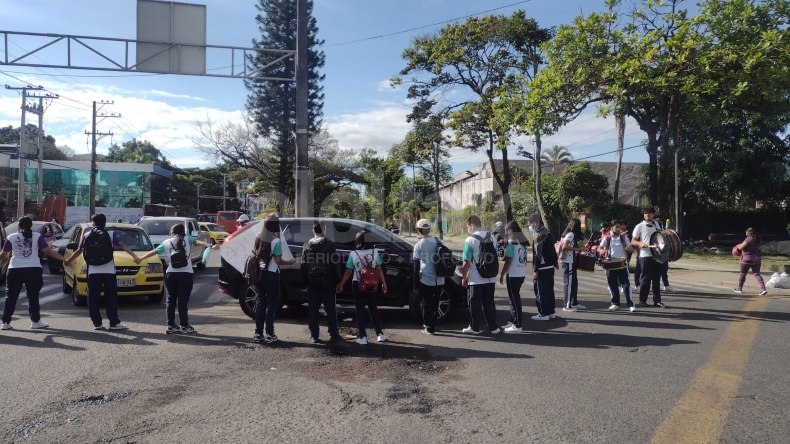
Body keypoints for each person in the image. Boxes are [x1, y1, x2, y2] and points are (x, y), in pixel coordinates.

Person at [137, 223, 219, 334]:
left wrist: (140, 259)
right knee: (182, 302)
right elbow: (198, 242)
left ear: (172, 232)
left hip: (171, 274)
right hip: (186, 274)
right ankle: (184, 326)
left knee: (170, 301)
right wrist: (210, 245)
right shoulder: (187, 239)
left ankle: (171, 325)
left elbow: (154, 252)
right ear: (183, 232)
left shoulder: (166, 242)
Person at [64, 214, 140, 330]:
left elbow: (79, 250)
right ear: (104, 223)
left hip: (92, 271)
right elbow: (122, 245)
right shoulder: (111, 234)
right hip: (109, 271)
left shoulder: (87, 235)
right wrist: (135, 256)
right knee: (111, 297)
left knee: (93, 297)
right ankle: (114, 323)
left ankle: (97, 323)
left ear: (94, 223)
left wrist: (68, 260)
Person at [1, 217, 68, 331]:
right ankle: (35, 321)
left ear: (18, 226)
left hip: (14, 269)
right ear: (30, 225)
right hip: (33, 269)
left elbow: (4, 254)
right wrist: (64, 259)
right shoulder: (37, 236)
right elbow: (47, 251)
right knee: (33, 297)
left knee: (10, 296)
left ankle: (5, 322)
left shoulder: (11, 237)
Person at [336, 231, 389, 345]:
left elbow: (349, 271)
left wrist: (341, 284)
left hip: (358, 284)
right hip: (373, 284)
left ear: (357, 241)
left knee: (360, 310)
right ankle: (380, 334)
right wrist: (383, 283)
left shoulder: (353, 254)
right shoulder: (375, 252)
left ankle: (363, 337)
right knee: (373, 309)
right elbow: (379, 269)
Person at [252, 214, 295, 343]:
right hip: (271, 275)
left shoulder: (258, 236)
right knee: (271, 305)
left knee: (260, 303)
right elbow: (278, 261)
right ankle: (269, 334)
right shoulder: (276, 241)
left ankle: (258, 334)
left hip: (259, 275)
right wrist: (290, 262)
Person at [302, 220, 344, 343]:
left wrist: (306, 283)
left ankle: (314, 335)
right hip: (328, 283)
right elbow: (335, 264)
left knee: (313, 310)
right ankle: (333, 333)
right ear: (323, 230)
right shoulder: (330, 245)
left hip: (312, 283)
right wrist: (338, 281)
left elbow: (303, 266)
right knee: (330, 309)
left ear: (313, 231)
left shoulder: (307, 246)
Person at [460, 215, 500, 335]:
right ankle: (494, 327)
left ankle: (474, 327)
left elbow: (466, 261)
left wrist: (464, 277)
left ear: (472, 225)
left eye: (468, 226)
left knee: (474, 304)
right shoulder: (492, 236)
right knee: (489, 302)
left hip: (476, 278)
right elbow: (495, 254)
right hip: (491, 276)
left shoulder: (470, 240)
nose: (468, 229)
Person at [631, 207, 668, 308]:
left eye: (649, 213)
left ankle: (657, 301)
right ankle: (642, 300)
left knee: (656, 280)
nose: (647, 214)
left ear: (653, 214)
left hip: (657, 255)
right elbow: (633, 241)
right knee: (645, 279)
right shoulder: (639, 226)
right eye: (645, 213)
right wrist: (640, 243)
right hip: (645, 256)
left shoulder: (658, 225)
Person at [412, 218, 444, 335]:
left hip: (425, 279)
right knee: (435, 303)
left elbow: (416, 266)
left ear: (418, 229)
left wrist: (415, 284)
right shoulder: (438, 240)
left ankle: (428, 327)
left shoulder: (419, 245)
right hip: (439, 279)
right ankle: (433, 324)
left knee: (425, 304)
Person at [598, 220, 636, 312]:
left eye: (620, 227)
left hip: (622, 264)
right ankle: (615, 303)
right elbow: (599, 248)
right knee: (612, 284)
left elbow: (632, 250)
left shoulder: (623, 237)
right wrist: (602, 251)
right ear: (611, 228)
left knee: (626, 285)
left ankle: (631, 304)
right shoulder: (607, 238)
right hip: (610, 264)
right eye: (617, 227)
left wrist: (628, 248)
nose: (619, 229)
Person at [499, 220, 528, 333]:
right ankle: (512, 320)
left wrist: (502, 273)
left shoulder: (511, 243)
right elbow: (525, 259)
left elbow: (508, 260)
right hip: (521, 273)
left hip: (513, 274)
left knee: (514, 300)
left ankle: (517, 324)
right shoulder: (522, 243)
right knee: (513, 298)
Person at [528, 214, 558, 321]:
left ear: (535, 223)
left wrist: (535, 269)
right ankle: (551, 312)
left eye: (530, 224)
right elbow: (553, 249)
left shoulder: (539, 235)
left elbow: (538, 254)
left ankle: (543, 313)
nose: (530, 227)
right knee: (549, 290)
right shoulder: (547, 232)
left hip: (542, 267)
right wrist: (555, 262)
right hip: (550, 266)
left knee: (541, 291)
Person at [559, 218, 587, 312]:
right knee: (569, 283)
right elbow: (565, 246)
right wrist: (579, 249)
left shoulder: (566, 234)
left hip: (569, 260)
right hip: (568, 261)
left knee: (574, 282)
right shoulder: (570, 234)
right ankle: (567, 305)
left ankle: (574, 302)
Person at [733, 228, 767, 295]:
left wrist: (738, 245)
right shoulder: (758, 240)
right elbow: (759, 248)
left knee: (743, 274)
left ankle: (739, 288)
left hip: (747, 259)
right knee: (757, 274)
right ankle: (763, 289)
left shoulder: (748, 239)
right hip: (756, 259)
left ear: (748, 233)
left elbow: (740, 248)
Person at [653, 215, 675, 292]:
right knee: (657, 271)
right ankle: (656, 286)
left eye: (661, 223)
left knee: (664, 270)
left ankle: (666, 285)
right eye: (659, 223)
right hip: (657, 253)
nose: (661, 224)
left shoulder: (663, 231)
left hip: (664, 252)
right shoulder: (654, 232)